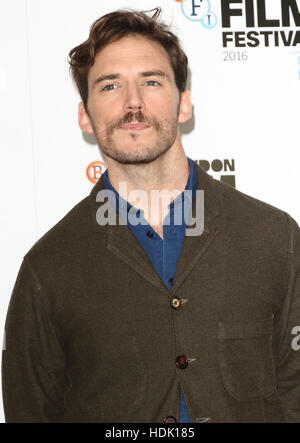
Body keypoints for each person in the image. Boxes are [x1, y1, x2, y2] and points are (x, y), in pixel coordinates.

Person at [2, 8, 300, 423]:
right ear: (85, 117)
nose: (133, 102)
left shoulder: (273, 238)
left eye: (151, 81)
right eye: (110, 86)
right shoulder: (48, 269)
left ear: (184, 104)